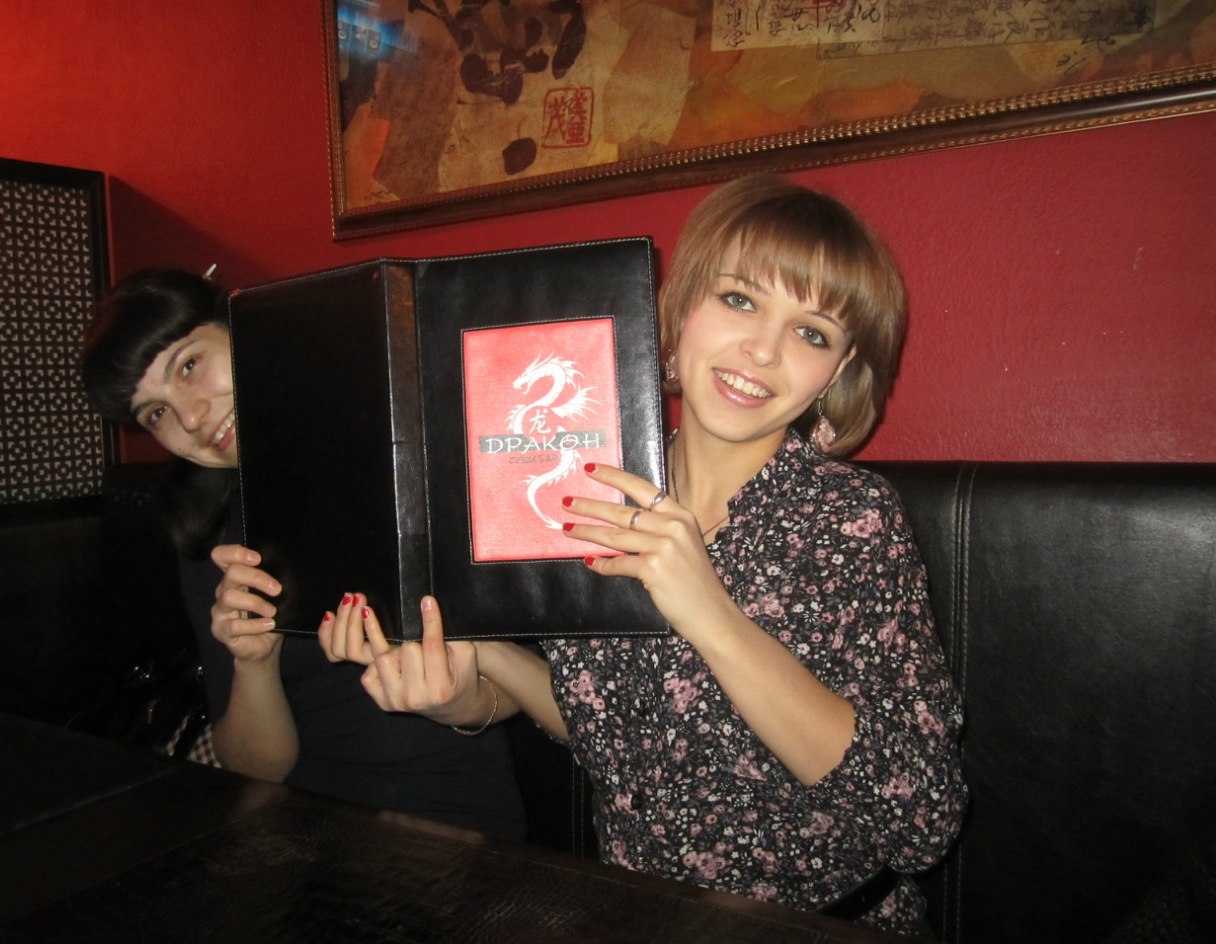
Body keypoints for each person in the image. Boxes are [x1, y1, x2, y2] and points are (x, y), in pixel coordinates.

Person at [318, 175, 967, 934]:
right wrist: (475, 653)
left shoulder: (850, 520)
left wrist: (709, 612)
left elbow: (920, 820)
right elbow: (609, 723)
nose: (763, 349)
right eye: (739, 299)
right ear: (681, 307)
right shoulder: (587, 488)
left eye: (812, 333)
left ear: (839, 370)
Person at [80, 268, 526, 840]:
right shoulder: (211, 533)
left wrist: (461, 696)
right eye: (156, 413)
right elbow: (257, 769)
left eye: (189, 365)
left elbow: (539, 684)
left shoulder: (410, 451)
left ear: (243, 328)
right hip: (300, 831)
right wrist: (253, 662)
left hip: (448, 815)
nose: (190, 417)